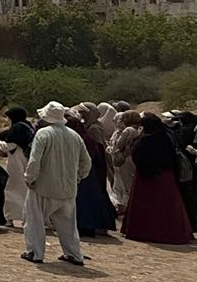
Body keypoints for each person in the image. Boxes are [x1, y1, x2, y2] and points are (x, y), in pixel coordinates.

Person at [19, 101, 89, 265]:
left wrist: (30, 178)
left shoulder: (43, 134)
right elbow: (86, 162)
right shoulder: (74, 135)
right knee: (68, 225)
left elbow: (34, 161)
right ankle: (74, 254)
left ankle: (35, 252)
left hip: (44, 187)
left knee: (34, 220)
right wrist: (79, 177)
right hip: (68, 188)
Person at [121, 113, 195, 244]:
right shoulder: (167, 138)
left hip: (145, 178)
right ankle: (173, 233)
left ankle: (144, 232)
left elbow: (137, 155)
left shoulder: (145, 140)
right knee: (167, 206)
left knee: (146, 205)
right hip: (165, 176)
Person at [74, 109, 119, 237]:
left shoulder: (93, 129)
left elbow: (96, 150)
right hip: (90, 167)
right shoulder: (88, 130)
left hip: (91, 168)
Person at [0, 108, 33, 227]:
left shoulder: (18, 128)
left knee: (12, 189)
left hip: (17, 162)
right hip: (25, 161)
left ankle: (10, 218)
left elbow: (9, 146)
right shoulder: (27, 126)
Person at [107, 109, 141, 213]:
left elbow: (119, 145)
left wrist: (113, 148)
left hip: (125, 160)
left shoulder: (128, 130)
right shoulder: (136, 129)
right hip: (129, 158)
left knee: (126, 185)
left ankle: (129, 209)